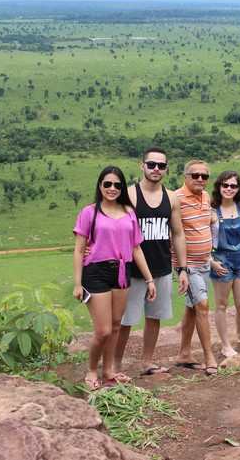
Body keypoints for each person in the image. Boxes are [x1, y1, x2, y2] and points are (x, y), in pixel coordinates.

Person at [73, 166, 157, 391]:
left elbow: (136, 248)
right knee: (103, 330)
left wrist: (149, 280)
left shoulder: (129, 212)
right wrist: (78, 284)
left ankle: (108, 371)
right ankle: (92, 370)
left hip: (121, 272)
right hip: (96, 273)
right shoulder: (89, 212)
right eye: (107, 184)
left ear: (122, 188)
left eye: (117, 185)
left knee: (116, 324)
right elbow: (79, 250)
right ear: (100, 185)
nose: (112, 188)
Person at [112, 147, 189, 377]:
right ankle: (115, 365)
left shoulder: (171, 197)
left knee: (154, 318)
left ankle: (147, 362)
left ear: (166, 169)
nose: (156, 169)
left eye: (161, 165)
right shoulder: (130, 195)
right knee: (125, 320)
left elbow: (177, 234)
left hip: (162, 267)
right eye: (152, 164)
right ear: (142, 165)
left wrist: (182, 268)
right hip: (131, 269)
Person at [173, 160, 219, 376]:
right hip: (187, 265)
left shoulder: (206, 197)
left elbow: (207, 221)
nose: (200, 179)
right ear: (185, 177)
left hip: (203, 263)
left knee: (192, 306)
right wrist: (180, 266)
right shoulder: (176, 199)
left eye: (204, 176)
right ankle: (209, 356)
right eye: (195, 175)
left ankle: (184, 354)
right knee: (202, 304)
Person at [209, 171, 240, 358]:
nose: (229, 189)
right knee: (221, 304)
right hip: (221, 260)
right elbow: (202, 239)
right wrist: (211, 262)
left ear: (238, 188)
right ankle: (225, 344)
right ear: (219, 186)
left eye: (233, 186)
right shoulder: (212, 211)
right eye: (225, 185)